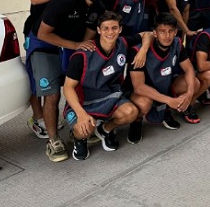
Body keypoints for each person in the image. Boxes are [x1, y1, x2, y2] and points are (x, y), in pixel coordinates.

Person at [29, 0, 111, 162]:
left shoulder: (99, 7)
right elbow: (43, 33)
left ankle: (78, 127)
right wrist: (75, 46)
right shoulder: (66, 0)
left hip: (70, 45)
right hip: (44, 44)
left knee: (77, 86)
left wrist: (79, 50)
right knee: (52, 94)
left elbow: (86, 41)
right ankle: (53, 140)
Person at [63, 12, 147, 160]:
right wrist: (81, 114)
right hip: (84, 102)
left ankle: (105, 129)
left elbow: (148, 34)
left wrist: (143, 51)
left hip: (110, 96)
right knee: (85, 129)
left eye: (114, 28)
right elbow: (68, 88)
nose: (110, 32)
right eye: (105, 28)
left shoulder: (122, 43)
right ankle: (79, 139)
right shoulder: (83, 55)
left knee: (131, 112)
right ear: (99, 30)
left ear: (120, 29)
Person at [25, 0, 83, 139]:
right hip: (39, 32)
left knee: (61, 81)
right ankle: (38, 118)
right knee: (40, 81)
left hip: (64, 32)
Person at [125, 13, 202, 141]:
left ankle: (166, 111)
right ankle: (136, 122)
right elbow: (139, 87)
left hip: (164, 84)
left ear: (175, 32)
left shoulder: (177, 44)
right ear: (155, 33)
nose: (167, 36)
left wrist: (189, 93)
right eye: (162, 31)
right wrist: (169, 100)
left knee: (195, 83)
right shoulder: (138, 52)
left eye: (170, 31)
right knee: (144, 104)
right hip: (144, 91)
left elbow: (188, 69)